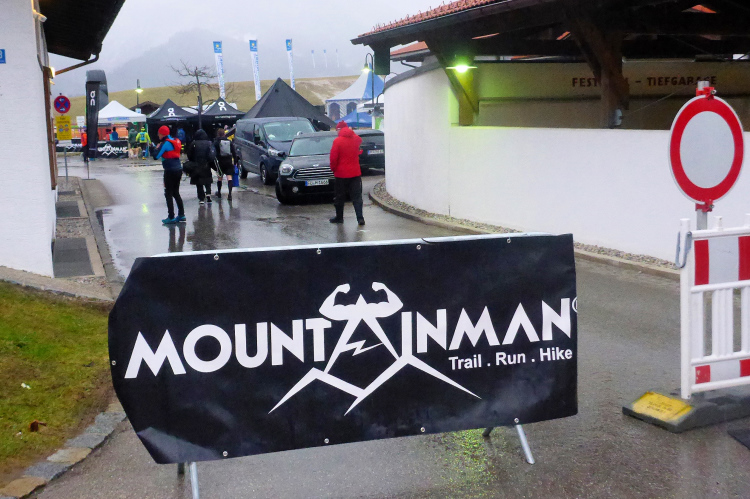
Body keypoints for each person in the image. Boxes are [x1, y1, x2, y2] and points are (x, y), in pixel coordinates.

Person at [329, 121, 364, 225]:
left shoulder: (337, 141)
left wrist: (333, 169)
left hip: (341, 174)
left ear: (339, 129)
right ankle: (360, 218)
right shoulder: (356, 139)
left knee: (339, 197)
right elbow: (359, 145)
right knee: (357, 197)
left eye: (337, 130)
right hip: (355, 173)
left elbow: (333, 158)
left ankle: (339, 218)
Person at [152, 125, 185, 224]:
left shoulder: (165, 143)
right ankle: (181, 214)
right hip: (178, 169)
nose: (158, 136)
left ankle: (171, 216)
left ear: (162, 134)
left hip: (169, 170)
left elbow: (156, 156)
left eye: (159, 134)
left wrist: (156, 148)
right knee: (176, 192)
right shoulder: (176, 140)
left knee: (168, 193)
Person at [186, 129, 215, 204]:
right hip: (206, 165)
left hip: (196, 165)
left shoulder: (194, 143)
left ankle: (201, 198)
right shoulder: (208, 143)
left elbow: (189, 155)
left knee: (198, 182)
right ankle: (208, 193)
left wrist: (193, 160)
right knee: (207, 180)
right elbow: (211, 155)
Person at [213, 128, 237, 200]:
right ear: (224, 134)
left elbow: (213, 152)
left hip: (220, 162)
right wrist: (235, 162)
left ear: (218, 134)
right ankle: (230, 194)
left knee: (220, 178)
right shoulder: (229, 142)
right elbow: (234, 153)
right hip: (228, 161)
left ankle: (219, 193)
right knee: (229, 177)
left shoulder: (216, 142)